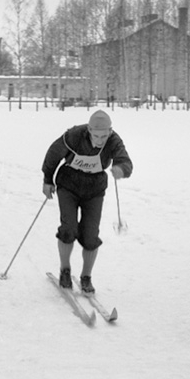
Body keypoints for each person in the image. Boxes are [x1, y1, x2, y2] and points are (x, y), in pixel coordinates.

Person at [41, 110, 132, 293]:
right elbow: (53, 155)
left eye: (104, 136)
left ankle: (86, 277)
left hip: (94, 189)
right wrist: (48, 180)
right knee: (69, 228)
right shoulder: (74, 136)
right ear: (89, 130)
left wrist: (121, 169)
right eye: (96, 135)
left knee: (91, 235)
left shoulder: (114, 140)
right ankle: (65, 270)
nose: (100, 140)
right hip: (69, 185)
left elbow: (126, 162)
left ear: (110, 131)